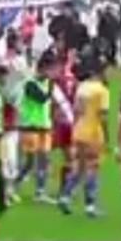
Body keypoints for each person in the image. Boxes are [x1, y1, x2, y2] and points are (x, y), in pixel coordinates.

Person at [58, 62, 109, 217]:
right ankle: (90, 206)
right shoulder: (102, 90)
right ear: (100, 73)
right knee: (92, 168)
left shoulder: (81, 87)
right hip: (93, 132)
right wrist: (106, 136)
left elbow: (76, 110)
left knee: (78, 167)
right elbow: (103, 116)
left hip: (79, 131)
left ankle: (65, 197)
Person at [14, 53, 56, 202]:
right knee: (30, 163)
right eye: (51, 69)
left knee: (44, 160)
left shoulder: (46, 82)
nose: (53, 72)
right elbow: (42, 99)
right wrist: (52, 85)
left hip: (43, 126)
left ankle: (40, 192)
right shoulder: (30, 83)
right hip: (30, 126)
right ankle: (12, 186)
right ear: (43, 68)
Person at [50, 56, 78, 195]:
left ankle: (63, 188)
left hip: (58, 123)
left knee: (43, 153)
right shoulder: (74, 80)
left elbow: (51, 103)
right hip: (70, 122)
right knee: (70, 157)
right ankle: (66, 188)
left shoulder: (54, 82)